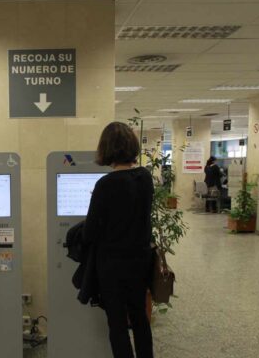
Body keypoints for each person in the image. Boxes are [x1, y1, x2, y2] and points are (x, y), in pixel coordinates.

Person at [83, 122, 154, 358]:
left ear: (106, 148)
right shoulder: (145, 177)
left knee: (117, 323)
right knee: (139, 317)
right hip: (140, 259)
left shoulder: (105, 185)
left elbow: (90, 231)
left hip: (112, 264)